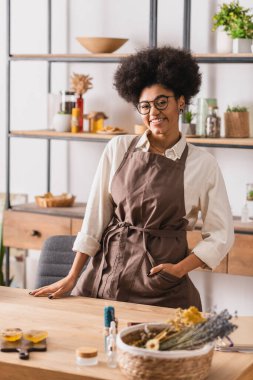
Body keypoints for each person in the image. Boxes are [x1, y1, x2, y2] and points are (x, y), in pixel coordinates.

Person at [30, 46, 234, 310]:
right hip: (105, 275)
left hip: (161, 286)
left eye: (162, 102)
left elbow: (221, 234)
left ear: (181, 101)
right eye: (145, 106)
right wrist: (72, 276)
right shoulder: (118, 148)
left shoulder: (202, 164)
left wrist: (179, 269)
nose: (154, 113)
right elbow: (95, 219)